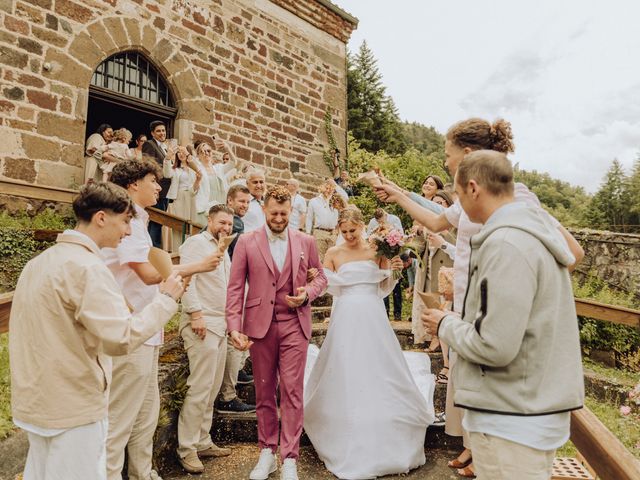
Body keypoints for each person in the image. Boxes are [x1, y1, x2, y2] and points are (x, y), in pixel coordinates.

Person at [375, 117, 584, 478]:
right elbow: (440, 219)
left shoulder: (512, 234)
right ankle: (473, 449)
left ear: (471, 181)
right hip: (505, 375)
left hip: (514, 405)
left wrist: (448, 321)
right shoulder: (508, 219)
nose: (444, 162)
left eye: (448, 155)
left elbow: (497, 346)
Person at [423, 150, 584, 480]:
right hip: (529, 409)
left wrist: (445, 323)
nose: (459, 209)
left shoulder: (507, 244)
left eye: (456, 196)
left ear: (472, 188)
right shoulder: (533, 231)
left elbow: (494, 346)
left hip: (510, 420)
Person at [9, 182, 184, 480]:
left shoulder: (38, 263)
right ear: (101, 217)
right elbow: (121, 338)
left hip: (35, 403)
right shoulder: (89, 268)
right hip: (74, 407)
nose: (128, 231)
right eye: (125, 221)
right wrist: (166, 300)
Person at [104, 160, 223, 480]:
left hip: (150, 327)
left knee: (147, 413)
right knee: (120, 417)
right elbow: (147, 276)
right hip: (132, 328)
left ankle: (144, 473)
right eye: (152, 181)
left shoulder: (140, 220)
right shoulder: (123, 221)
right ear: (132, 185)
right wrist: (195, 267)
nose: (159, 187)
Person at [304, 207, 433, 480]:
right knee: (346, 363)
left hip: (372, 311)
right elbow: (325, 284)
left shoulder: (378, 248)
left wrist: (394, 271)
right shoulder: (333, 254)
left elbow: (384, 287)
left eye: (353, 230)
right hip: (346, 312)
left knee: (378, 363)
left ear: (363, 226)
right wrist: (311, 278)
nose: (349, 235)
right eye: (344, 231)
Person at [225, 185, 327, 480]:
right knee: (265, 391)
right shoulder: (246, 241)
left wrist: (307, 293)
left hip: (295, 323)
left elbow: (321, 275)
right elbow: (234, 288)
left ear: (291, 212)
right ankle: (267, 452)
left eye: (284, 213)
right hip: (260, 326)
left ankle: (290, 457)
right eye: (274, 213)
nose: (279, 218)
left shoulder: (306, 241)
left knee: (293, 391)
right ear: (265, 210)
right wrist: (234, 325)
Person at [176, 204, 236, 474]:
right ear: (209, 220)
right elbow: (186, 277)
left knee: (211, 389)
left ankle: (202, 440)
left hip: (220, 324)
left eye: (229, 224)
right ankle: (186, 449)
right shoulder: (195, 244)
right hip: (202, 323)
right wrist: (195, 313)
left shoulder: (225, 250)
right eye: (221, 222)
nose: (226, 227)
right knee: (199, 388)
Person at [217, 184, 257, 414]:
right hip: (232, 284)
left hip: (237, 281)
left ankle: (238, 372)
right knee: (237, 331)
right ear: (230, 201)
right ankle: (228, 394)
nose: (245, 205)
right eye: (241, 201)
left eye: (247, 202)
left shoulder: (237, 223)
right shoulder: (234, 224)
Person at [163, 145, 200, 251]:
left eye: (184, 152)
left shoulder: (194, 169)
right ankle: (176, 252)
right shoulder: (175, 169)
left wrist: (197, 181)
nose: (181, 154)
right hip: (178, 198)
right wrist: (167, 158)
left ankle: (189, 252)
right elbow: (166, 174)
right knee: (177, 227)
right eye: (179, 152)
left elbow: (196, 186)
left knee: (190, 228)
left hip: (191, 198)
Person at [141, 120, 171, 248]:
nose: (162, 133)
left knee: (160, 222)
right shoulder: (149, 144)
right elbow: (149, 166)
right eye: (158, 131)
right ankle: (152, 250)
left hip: (165, 191)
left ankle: (155, 249)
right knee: (155, 221)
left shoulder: (164, 148)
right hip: (156, 189)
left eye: (163, 130)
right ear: (153, 133)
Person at [305, 179, 339, 260]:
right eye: (327, 188)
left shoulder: (335, 202)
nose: (329, 191)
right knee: (319, 259)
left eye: (331, 189)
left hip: (333, 233)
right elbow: (309, 218)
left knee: (331, 259)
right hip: (319, 232)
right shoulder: (314, 201)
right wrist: (307, 233)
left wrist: (336, 232)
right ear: (322, 187)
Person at [242, 167, 267, 232]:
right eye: (255, 182)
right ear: (247, 184)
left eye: (261, 182)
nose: (259, 186)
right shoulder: (242, 201)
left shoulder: (268, 202)